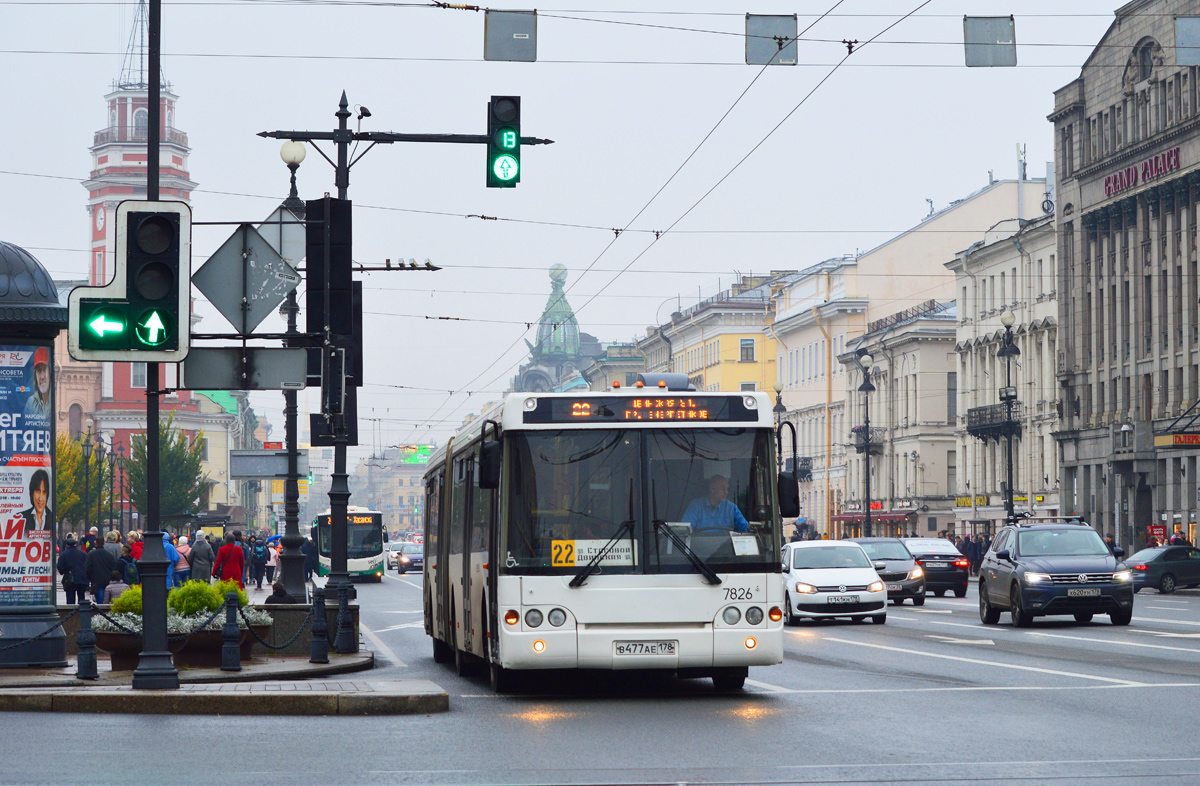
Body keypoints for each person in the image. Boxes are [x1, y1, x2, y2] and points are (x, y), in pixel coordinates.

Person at [682, 475, 749, 533]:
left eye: (727, 489)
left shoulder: (731, 508)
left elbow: (745, 529)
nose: (726, 492)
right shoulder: (695, 506)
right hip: (698, 547)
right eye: (723, 489)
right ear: (712, 489)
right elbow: (685, 529)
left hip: (725, 547)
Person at [56, 536, 87, 605]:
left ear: (67, 545)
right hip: (82, 578)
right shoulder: (83, 554)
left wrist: (63, 572)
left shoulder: (64, 554)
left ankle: (71, 613)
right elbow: (87, 565)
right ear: (75, 544)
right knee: (81, 598)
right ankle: (81, 613)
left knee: (70, 599)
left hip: (70, 579)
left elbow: (60, 566)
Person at [84, 538, 116, 603]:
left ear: (96, 543)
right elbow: (113, 567)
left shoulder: (91, 554)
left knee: (99, 596)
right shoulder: (109, 555)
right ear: (104, 543)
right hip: (107, 578)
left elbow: (87, 567)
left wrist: (89, 578)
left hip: (96, 579)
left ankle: (100, 609)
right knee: (106, 595)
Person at [22, 347, 51, 420]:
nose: (42, 377)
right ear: (35, 375)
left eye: (44, 370)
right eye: (39, 371)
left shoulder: (55, 398)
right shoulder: (30, 402)